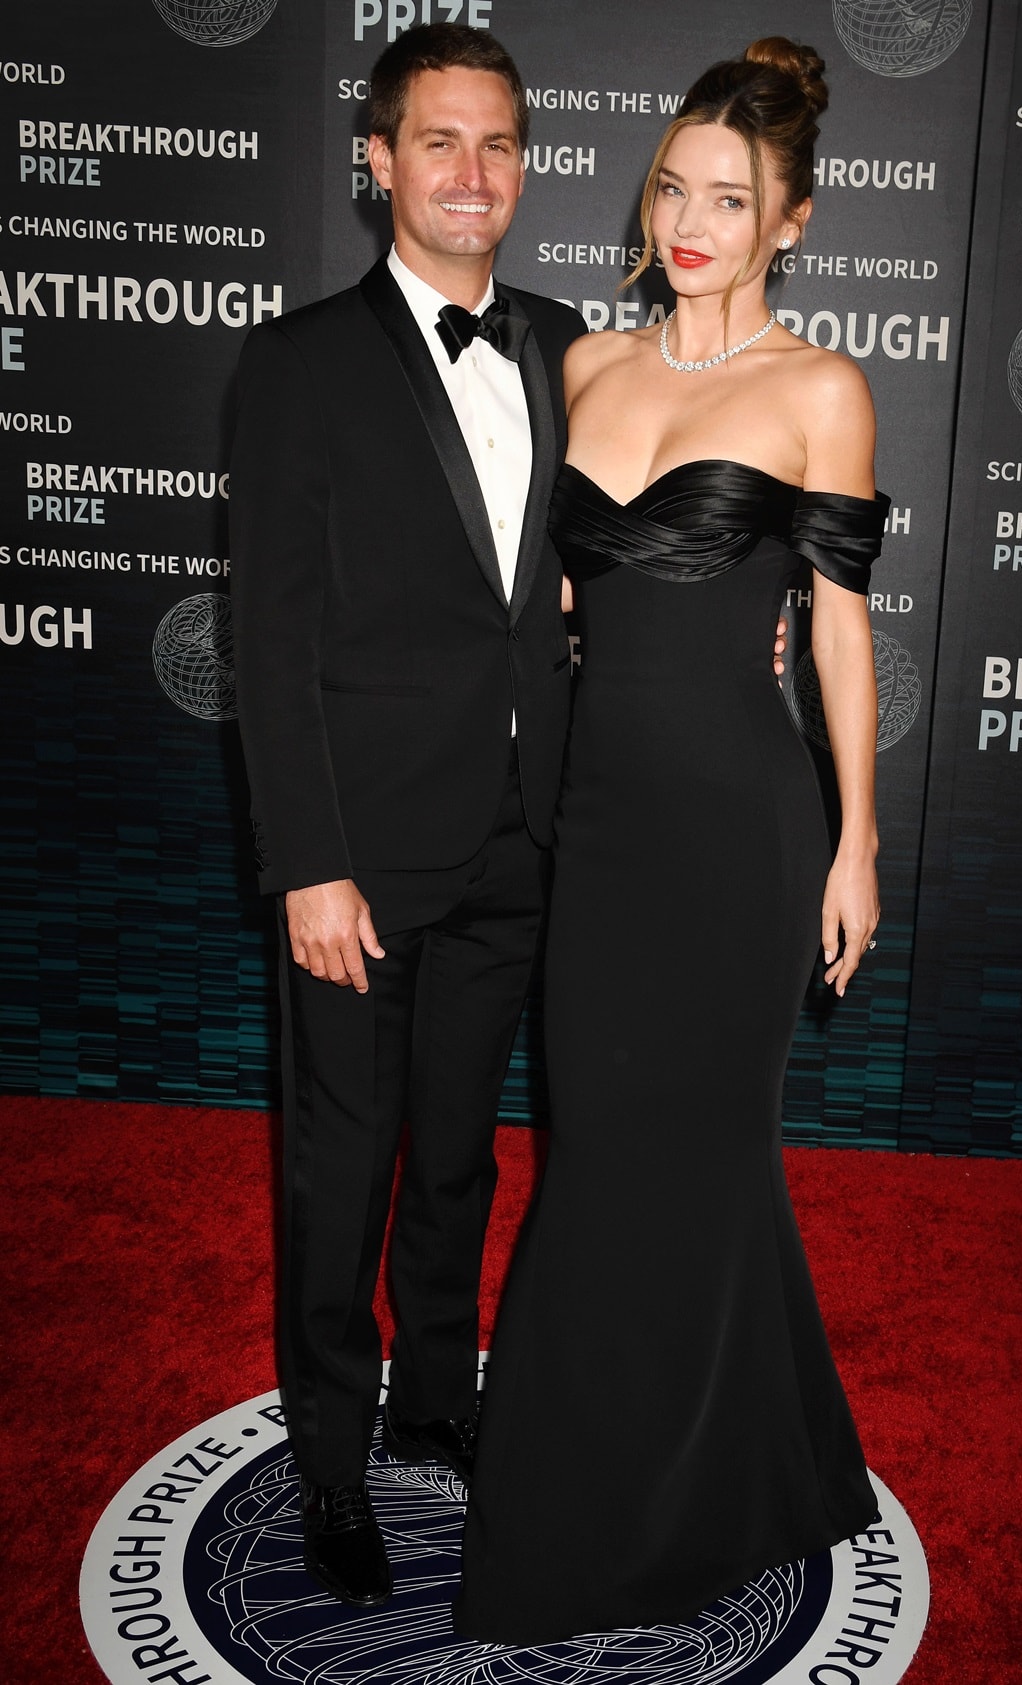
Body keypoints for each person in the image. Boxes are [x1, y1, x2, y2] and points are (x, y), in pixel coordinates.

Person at [455, 37, 886, 1643]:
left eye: (734, 199)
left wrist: (855, 847)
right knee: (618, 1155)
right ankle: (772, 1454)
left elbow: (838, 632)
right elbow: (560, 599)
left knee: (676, 1164)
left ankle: (592, 1530)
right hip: (601, 827)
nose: (692, 220)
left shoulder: (821, 389)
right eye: (674, 187)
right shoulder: (589, 368)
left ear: (794, 223)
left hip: (739, 835)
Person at [229, 23, 588, 1609]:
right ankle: (327, 1456)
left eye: (499, 144)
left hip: (524, 833)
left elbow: (595, 572)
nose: (472, 174)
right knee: (345, 1162)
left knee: (459, 1150)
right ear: (377, 162)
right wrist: (305, 859)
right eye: (438, 142)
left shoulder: (571, 342)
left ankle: (437, 1396)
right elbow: (271, 633)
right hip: (359, 858)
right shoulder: (300, 362)